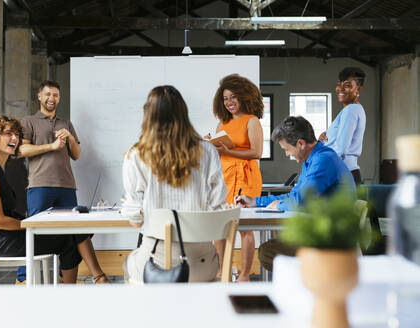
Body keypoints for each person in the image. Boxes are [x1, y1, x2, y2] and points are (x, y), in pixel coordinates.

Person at [0, 115, 108, 284]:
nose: (14, 138)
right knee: (72, 236)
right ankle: (91, 281)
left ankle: (89, 281)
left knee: (75, 231)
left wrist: (32, 224)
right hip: (3, 242)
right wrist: (30, 225)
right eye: (8, 133)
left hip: (8, 236)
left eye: (16, 134)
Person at [121, 85, 228, 284]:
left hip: (155, 262)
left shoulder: (136, 155)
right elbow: (218, 210)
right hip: (202, 264)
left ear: (148, 116)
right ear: (184, 114)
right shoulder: (209, 152)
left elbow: (136, 220)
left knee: (128, 264)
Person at [236, 116, 355, 272]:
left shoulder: (323, 160)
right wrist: (256, 202)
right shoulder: (313, 159)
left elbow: (300, 202)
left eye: (286, 149)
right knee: (271, 248)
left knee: (268, 252)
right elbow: (294, 196)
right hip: (324, 232)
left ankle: (307, 286)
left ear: (300, 143)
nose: (287, 154)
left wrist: (278, 205)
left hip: (332, 242)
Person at [18, 80, 108, 283]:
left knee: (75, 232)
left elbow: (76, 155)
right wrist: (51, 146)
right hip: (39, 186)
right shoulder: (29, 121)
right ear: (39, 96)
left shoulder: (66, 124)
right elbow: (22, 150)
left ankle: (69, 280)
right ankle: (23, 279)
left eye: (56, 95)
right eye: (48, 94)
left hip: (67, 186)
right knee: (35, 233)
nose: (52, 98)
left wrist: (70, 138)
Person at [209, 74, 264, 282]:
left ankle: (244, 274)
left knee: (244, 228)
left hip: (246, 177)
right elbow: (218, 152)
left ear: (244, 97)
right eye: (225, 98)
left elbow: (256, 152)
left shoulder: (252, 120)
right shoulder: (222, 123)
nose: (229, 102)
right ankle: (222, 271)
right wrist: (211, 145)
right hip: (224, 178)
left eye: (233, 97)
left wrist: (226, 151)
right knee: (220, 227)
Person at [319, 67, 366, 185]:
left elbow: (341, 149)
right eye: (339, 84)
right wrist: (323, 141)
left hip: (344, 174)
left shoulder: (350, 110)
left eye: (347, 85)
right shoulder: (354, 109)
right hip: (346, 172)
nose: (340, 89)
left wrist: (319, 158)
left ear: (358, 89)